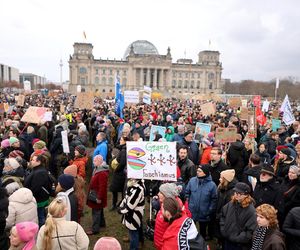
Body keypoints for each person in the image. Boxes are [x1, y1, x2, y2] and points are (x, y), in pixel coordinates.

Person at [220, 182, 257, 250]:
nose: (236, 195)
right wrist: (223, 230)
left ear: (246, 195)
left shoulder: (251, 211)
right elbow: (222, 216)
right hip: (226, 240)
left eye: (239, 193)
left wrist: (237, 238)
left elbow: (250, 231)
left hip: (238, 245)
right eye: (235, 192)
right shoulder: (230, 204)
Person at [185, 164, 217, 239]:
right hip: (192, 211)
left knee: (202, 232)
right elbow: (187, 193)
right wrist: (189, 204)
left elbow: (214, 199)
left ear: (205, 173)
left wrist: (209, 210)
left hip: (204, 214)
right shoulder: (192, 181)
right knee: (190, 231)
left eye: (200, 171)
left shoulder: (212, 185)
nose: (197, 172)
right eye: (197, 170)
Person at [24, 155, 52, 227]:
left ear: (39, 162)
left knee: (40, 217)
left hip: (39, 199)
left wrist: (30, 196)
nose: (31, 161)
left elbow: (36, 188)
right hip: (40, 198)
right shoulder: (37, 169)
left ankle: (43, 230)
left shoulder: (40, 173)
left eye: (33, 160)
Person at [119, 179, 145, 250]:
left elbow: (131, 205)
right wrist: (121, 205)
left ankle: (134, 247)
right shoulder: (131, 186)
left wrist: (121, 210)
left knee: (134, 232)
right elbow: (126, 198)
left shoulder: (139, 189)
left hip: (135, 214)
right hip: (130, 213)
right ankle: (137, 241)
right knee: (132, 231)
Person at [86, 155, 109, 235]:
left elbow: (102, 187)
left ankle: (95, 229)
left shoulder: (102, 173)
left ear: (99, 161)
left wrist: (99, 198)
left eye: (94, 161)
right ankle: (102, 224)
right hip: (96, 194)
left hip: (97, 196)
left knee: (96, 212)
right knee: (100, 210)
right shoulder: (97, 169)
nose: (93, 162)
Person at [110, 136, 128, 210]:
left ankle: (118, 204)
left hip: (120, 174)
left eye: (121, 140)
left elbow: (122, 163)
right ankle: (117, 204)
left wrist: (116, 169)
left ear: (125, 142)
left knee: (117, 190)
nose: (120, 141)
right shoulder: (122, 149)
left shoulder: (124, 151)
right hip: (120, 173)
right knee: (117, 190)